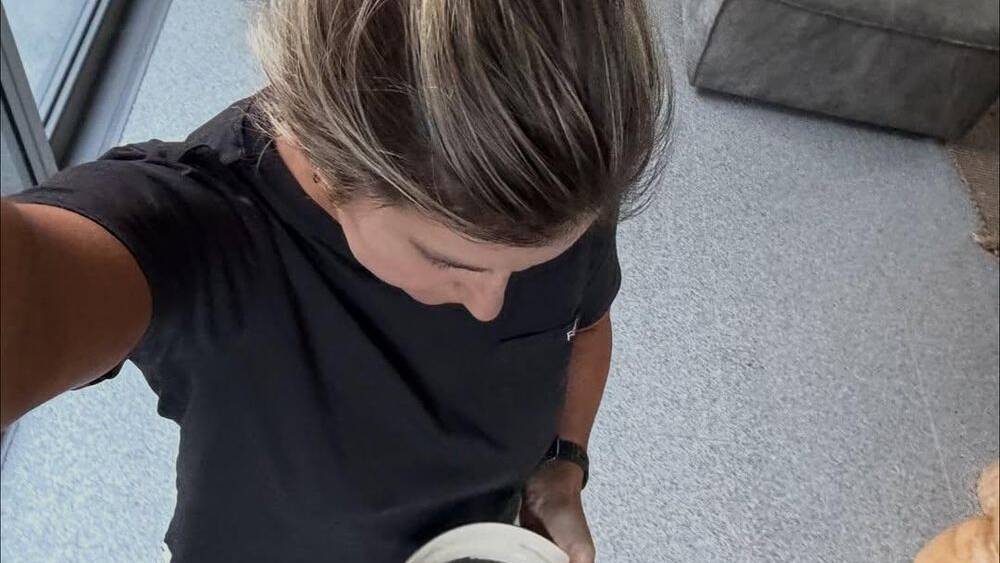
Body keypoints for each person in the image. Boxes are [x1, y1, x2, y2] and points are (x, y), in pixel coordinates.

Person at [0, 1, 668, 561]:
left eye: (530, 265)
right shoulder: (200, 231)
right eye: (452, 264)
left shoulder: (551, 182)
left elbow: (586, 329)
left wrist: (562, 467)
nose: (495, 302)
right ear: (323, 157)